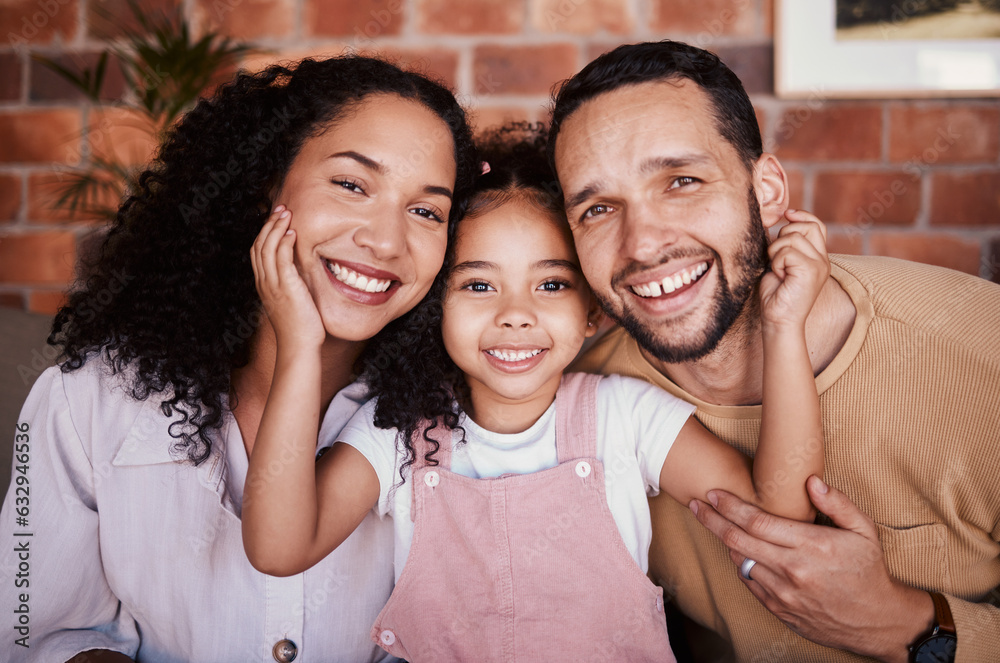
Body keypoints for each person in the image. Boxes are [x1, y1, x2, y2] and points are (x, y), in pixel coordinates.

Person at [241, 126, 831, 661]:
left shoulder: (624, 418)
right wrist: (299, 345)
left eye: (550, 284)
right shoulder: (399, 433)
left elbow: (778, 512)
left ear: (592, 311)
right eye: (478, 284)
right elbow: (279, 547)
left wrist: (783, 328)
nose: (516, 315)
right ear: (435, 305)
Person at [0, 55, 477, 663]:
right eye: (352, 185)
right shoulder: (87, 401)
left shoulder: (446, 426)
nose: (386, 240)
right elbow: (37, 632)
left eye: (426, 211)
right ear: (264, 187)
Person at [549, 40, 1000, 662]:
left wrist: (908, 626)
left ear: (766, 191)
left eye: (681, 181)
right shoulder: (576, 408)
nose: (643, 244)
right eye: (598, 208)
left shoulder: (980, 347)